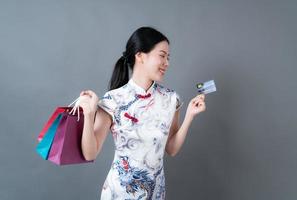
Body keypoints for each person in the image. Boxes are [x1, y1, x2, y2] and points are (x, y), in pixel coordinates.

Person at [78, 26, 206, 200]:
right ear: (140, 55)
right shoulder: (113, 100)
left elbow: (172, 149)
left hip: (155, 193)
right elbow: (90, 153)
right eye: (162, 56)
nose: (167, 62)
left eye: (168, 57)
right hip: (119, 193)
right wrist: (88, 114)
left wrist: (190, 115)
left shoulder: (170, 99)